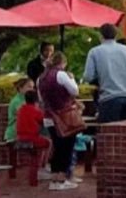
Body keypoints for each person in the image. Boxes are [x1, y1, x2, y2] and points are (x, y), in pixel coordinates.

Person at [36, 52, 80, 191]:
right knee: (66, 146)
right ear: (63, 63)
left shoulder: (40, 78)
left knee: (56, 145)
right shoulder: (61, 74)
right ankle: (61, 179)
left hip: (48, 116)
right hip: (63, 115)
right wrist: (72, 79)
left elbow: (41, 99)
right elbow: (75, 91)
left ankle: (54, 179)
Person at [83, 24, 126, 123]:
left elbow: (88, 77)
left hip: (109, 98)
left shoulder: (94, 52)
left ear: (100, 35)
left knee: (110, 133)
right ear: (116, 35)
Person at [14, 90, 51, 176]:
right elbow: (45, 121)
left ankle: (40, 167)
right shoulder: (35, 111)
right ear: (36, 101)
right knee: (49, 142)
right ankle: (42, 167)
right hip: (32, 138)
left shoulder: (21, 109)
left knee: (43, 140)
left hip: (19, 138)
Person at [4, 78, 36, 142]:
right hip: (14, 135)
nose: (32, 89)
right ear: (20, 88)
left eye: (33, 87)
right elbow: (27, 115)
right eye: (29, 87)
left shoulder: (28, 100)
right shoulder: (17, 101)